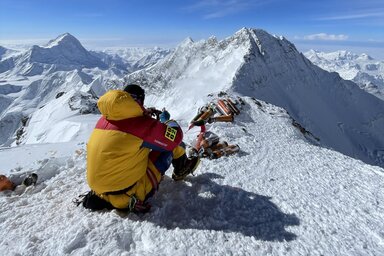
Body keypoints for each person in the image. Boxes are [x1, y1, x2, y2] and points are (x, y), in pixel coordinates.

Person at [84, 84, 200, 213]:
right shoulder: (142, 125)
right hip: (128, 194)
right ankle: (182, 169)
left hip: (99, 191)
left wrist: (144, 114)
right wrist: (166, 121)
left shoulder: (104, 119)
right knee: (173, 146)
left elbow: (127, 131)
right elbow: (175, 137)